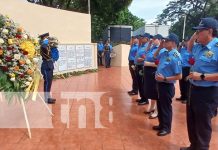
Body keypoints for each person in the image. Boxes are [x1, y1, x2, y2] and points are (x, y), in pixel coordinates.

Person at [180, 17, 218, 150]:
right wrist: (195, 34)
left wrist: (202, 76)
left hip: (207, 93)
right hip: (193, 89)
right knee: (192, 120)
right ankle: (193, 146)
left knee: (203, 125)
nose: (197, 34)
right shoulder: (198, 47)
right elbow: (189, 47)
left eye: (199, 31)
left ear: (209, 31)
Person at [153, 33, 182, 136]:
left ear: (173, 43)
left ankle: (167, 128)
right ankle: (161, 124)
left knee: (165, 107)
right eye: (164, 40)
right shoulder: (164, 52)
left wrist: (164, 78)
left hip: (167, 85)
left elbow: (179, 76)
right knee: (160, 105)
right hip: (159, 84)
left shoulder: (176, 56)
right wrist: (160, 46)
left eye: (167, 41)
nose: (164, 42)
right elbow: (155, 55)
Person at [144, 34, 163, 119]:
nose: (152, 40)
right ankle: (152, 107)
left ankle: (157, 111)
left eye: (154, 39)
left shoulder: (161, 50)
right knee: (151, 91)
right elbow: (146, 52)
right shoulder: (152, 47)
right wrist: (149, 44)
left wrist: (149, 64)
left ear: (159, 40)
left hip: (154, 71)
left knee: (156, 91)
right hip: (148, 72)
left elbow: (160, 63)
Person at [39, 33, 56, 104]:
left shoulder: (47, 45)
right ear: (43, 38)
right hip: (46, 65)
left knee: (49, 82)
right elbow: (48, 54)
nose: (48, 39)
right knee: (47, 82)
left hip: (49, 65)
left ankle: (48, 97)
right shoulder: (43, 46)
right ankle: (46, 99)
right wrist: (47, 44)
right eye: (47, 38)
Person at [134, 33, 150, 105]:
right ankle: (142, 97)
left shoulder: (148, 47)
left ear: (147, 39)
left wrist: (143, 59)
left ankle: (145, 99)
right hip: (138, 66)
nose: (141, 38)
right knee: (139, 83)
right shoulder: (141, 46)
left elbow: (149, 57)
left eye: (142, 37)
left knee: (142, 83)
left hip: (142, 67)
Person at [176, 38, 192, 104]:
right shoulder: (182, 49)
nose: (185, 42)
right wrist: (180, 46)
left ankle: (186, 98)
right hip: (181, 68)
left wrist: (190, 61)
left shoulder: (191, 50)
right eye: (184, 41)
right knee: (181, 83)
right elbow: (176, 53)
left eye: (186, 41)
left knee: (187, 84)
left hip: (187, 68)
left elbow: (194, 59)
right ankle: (182, 96)